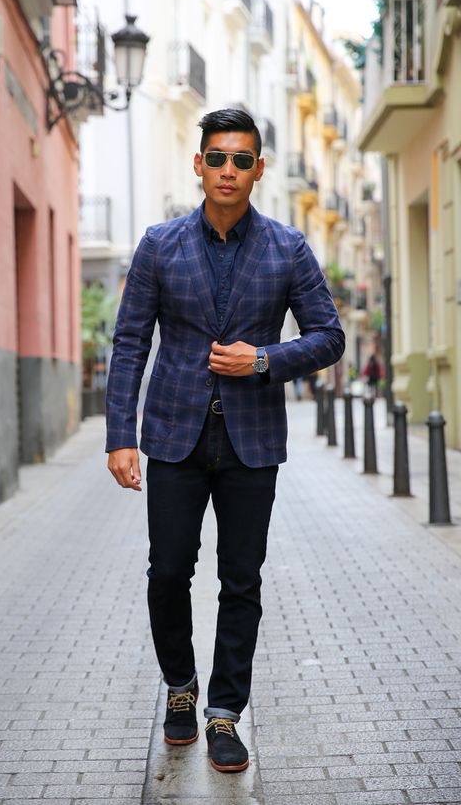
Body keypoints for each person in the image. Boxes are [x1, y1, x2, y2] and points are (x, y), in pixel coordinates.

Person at [106, 109, 345, 773]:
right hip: (173, 437)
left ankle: (224, 712)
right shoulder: (160, 245)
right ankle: (181, 687)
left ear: (258, 169)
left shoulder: (288, 248)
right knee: (167, 573)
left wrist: (262, 359)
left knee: (241, 581)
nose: (228, 170)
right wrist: (120, 435)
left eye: (242, 159)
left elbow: (329, 336)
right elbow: (130, 343)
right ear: (199, 164)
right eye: (217, 157)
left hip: (251, 442)